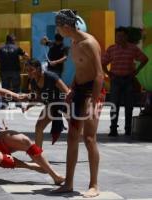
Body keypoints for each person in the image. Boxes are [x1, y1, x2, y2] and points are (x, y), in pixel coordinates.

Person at [52, 9, 105, 198]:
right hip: (79, 91)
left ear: (66, 26)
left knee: (89, 139)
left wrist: (94, 100)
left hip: (93, 91)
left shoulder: (89, 43)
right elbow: (81, 69)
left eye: (58, 27)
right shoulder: (73, 43)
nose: (57, 31)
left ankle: (94, 185)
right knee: (73, 137)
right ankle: (69, 183)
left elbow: (99, 75)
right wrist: (72, 89)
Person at [102, 27, 149, 136]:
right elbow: (103, 62)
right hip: (116, 80)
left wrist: (136, 71)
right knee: (114, 105)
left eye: (122, 36)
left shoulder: (133, 49)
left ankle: (128, 128)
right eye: (118, 36)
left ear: (126, 37)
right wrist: (108, 73)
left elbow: (144, 59)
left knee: (129, 105)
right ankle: (113, 128)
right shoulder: (112, 49)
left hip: (128, 80)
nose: (119, 38)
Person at [23, 58, 70, 147]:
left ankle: (89, 143)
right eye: (27, 70)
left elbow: (66, 92)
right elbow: (38, 98)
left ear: (38, 68)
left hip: (64, 103)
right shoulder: (33, 82)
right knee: (39, 127)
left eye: (31, 70)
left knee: (76, 131)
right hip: (51, 105)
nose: (28, 72)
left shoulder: (50, 76)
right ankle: (38, 155)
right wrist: (28, 106)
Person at [0, 34, 29, 110]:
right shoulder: (17, 48)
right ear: (13, 40)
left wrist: (2, 61)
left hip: (4, 71)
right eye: (14, 40)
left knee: (4, 88)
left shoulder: (0, 48)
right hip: (15, 71)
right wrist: (22, 59)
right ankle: (18, 104)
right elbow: (26, 55)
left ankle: (4, 104)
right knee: (16, 88)